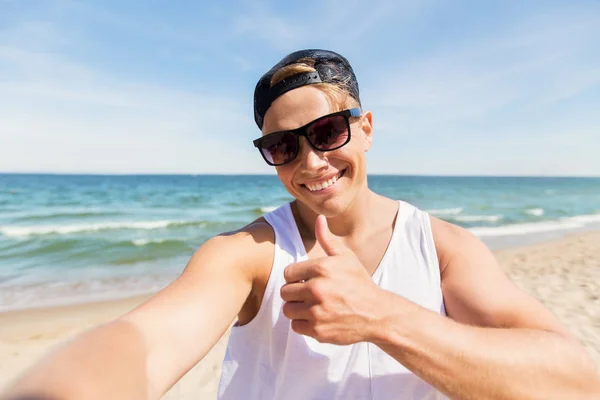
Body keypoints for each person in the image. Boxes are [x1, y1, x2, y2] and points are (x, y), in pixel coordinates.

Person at [4, 49, 600, 400]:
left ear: (364, 127)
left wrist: (381, 316)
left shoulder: (443, 248)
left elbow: (575, 380)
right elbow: (146, 339)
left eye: (327, 133)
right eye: (283, 146)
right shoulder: (248, 253)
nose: (311, 163)